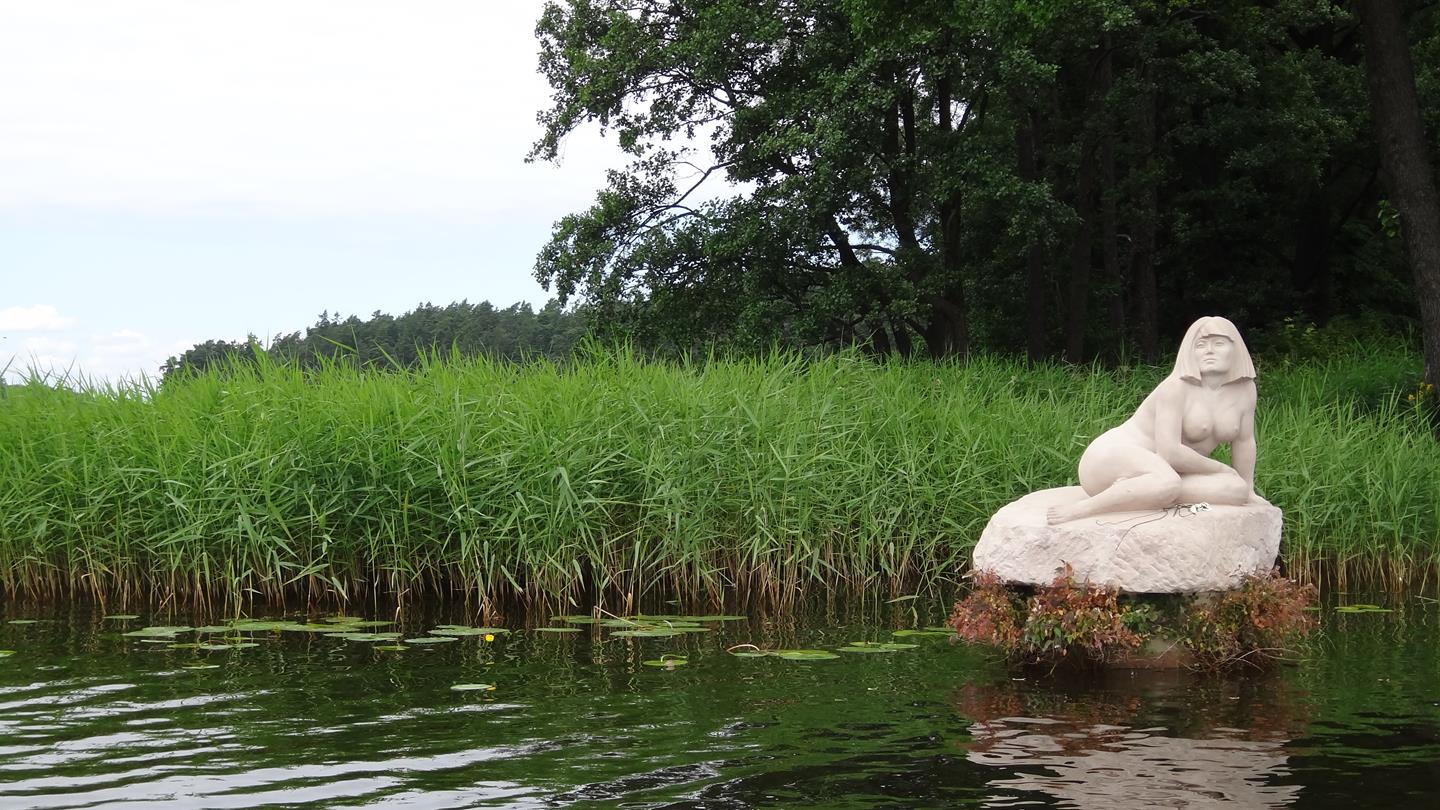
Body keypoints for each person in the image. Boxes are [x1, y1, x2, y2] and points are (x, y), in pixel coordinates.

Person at [1046, 316, 1257, 524]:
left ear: (1235, 348)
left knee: (1236, 490)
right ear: (1190, 352)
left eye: (1219, 343)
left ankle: (1140, 490)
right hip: (1111, 457)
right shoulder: (1175, 387)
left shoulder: (1245, 390)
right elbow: (1170, 452)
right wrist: (1221, 469)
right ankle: (1082, 509)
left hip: (1167, 471)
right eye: (1201, 345)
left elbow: (1244, 441)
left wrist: (1247, 487)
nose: (1209, 350)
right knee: (1168, 482)